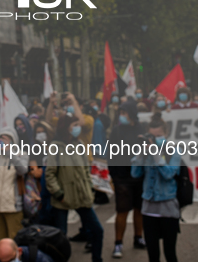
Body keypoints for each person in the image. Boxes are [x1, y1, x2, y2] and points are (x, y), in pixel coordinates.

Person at [45, 115, 103, 262]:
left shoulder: (80, 144)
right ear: (66, 128)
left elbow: (85, 170)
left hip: (82, 195)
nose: (78, 128)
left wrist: (89, 188)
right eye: (75, 125)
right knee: (61, 237)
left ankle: (97, 259)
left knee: (97, 231)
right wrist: (59, 194)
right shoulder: (56, 147)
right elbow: (50, 174)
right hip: (63, 198)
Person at [131, 113, 181, 262]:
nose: (154, 139)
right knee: (152, 254)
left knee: (170, 252)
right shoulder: (146, 152)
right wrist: (141, 154)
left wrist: (156, 154)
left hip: (167, 206)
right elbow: (135, 174)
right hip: (149, 207)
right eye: (151, 136)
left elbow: (168, 174)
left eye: (159, 135)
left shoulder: (173, 151)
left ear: (166, 134)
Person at [108, 99, 146, 258]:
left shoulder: (141, 129)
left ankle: (138, 237)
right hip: (122, 177)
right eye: (120, 113)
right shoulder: (116, 131)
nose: (121, 116)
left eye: (124, 113)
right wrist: (114, 176)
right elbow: (110, 155)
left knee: (139, 209)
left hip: (139, 176)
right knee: (122, 210)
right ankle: (118, 243)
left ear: (132, 114)